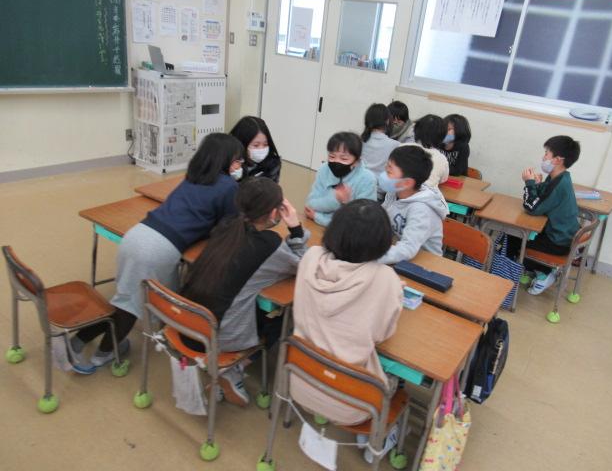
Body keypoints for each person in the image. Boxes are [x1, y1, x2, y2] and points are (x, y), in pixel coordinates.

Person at [68, 133, 245, 374]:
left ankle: (79, 342)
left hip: (137, 235)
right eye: (237, 161)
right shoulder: (228, 186)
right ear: (224, 160)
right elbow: (229, 226)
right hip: (158, 249)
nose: (238, 166)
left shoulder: (193, 177)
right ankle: (104, 353)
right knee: (131, 306)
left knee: (125, 297)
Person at [180, 177, 309, 406]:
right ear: (274, 212)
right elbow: (302, 265)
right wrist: (295, 228)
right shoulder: (268, 243)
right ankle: (234, 368)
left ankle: (230, 370)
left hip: (185, 323)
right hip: (215, 335)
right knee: (282, 319)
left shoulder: (226, 226)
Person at [291, 199, 403, 426]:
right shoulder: (385, 278)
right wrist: (391, 293)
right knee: (398, 379)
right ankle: (377, 441)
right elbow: (382, 335)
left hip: (300, 383)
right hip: (352, 405)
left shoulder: (311, 257)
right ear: (382, 241)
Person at [518, 135, 581, 295]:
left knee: (514, 238)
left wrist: (529, 183)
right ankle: (535, 269)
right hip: (561, 235)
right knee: (516, 235)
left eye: (547, 153)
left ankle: (544, 273)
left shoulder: (559, 184)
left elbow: (532, 208)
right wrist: (537, 184)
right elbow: (544, 197)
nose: (543, 157)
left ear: (557, 160)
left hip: (557, 241)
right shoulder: (559, 177)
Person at [377, 145, 449, 264]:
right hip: (403, 257)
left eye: (389, 171)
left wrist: (368, 256)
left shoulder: (421, 210)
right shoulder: (394, 192)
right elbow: (381, 221)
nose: (384, 174)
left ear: (407, 183)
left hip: (426, 265)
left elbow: (407, 249)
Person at [305, 132, 376, 226]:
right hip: (317, 226)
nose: (336, 161)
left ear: (357, 161)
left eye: (344, 159)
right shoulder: (324, 169)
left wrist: (318, 217)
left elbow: (360, 221)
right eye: (332, 156)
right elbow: (310, 204)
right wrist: (336, 198)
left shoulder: (367, 179)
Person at [360, 103, 400, 199]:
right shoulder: (395, 145)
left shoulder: (359, 141)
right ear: (387, 121)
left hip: (355, 189)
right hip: (377, 195)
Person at [229, 116, 282, 182]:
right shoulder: (230, 160)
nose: (261, 149)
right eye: (256, 145)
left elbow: (271, 186)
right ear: (242, 143)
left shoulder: (272, 163)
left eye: (265, 144)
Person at [413, 114, 450, 188]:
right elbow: (443, 179)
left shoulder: (403, 147)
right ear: (442, 136)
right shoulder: (441, 158)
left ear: (416, 130)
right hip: (428, 194)